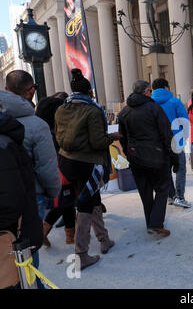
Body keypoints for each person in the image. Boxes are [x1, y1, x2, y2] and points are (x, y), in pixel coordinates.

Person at [1, 70, 61, 288]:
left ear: (6, 90)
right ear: (31, 91)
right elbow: (47, 167)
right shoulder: (36, 125)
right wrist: (53, 193)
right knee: (26, 254)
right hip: (28, 197)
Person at [55, 68, 119, 270]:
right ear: (89, 92)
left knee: (92, 199)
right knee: (84, 204)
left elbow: (58, 136)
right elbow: (99, 141)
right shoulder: (92, 110)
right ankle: (81, 253)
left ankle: (104, 239)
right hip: (87, 163)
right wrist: (114, 137)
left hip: (66, 161)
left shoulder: (61, 108)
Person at [118, 80, 178, 236]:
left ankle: (151, 223)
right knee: (162, 188)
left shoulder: (124, 112)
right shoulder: (154, 108)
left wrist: (128, 153)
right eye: (150, 91)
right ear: (145, 92)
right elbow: (167, 134)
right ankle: (156, 223)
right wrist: (173, 156)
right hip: (157, 157)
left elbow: (122, 138)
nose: (151, 93)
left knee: (145, 191)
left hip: (135, 157)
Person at [0, 104, 43, 289]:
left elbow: (9, 202)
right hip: (18, 233)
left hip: (12, 239)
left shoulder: (3, 146)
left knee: (24, 279)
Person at [36, 92, 77, 247]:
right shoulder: (52, 132)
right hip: (61, 170)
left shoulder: (42, 129)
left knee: (66, 202)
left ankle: (70, 235)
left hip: (53, 171)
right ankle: (46, 230)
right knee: (64, 201)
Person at [151, 78, 191, 208]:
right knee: (180, 169)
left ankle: (171, 196)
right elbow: (184, 121)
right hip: (176, 140)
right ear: (166, 87)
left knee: (165, 170)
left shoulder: (150, 104)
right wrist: (184, 137)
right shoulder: (175, 101)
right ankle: (180, 197)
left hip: (159, 142)